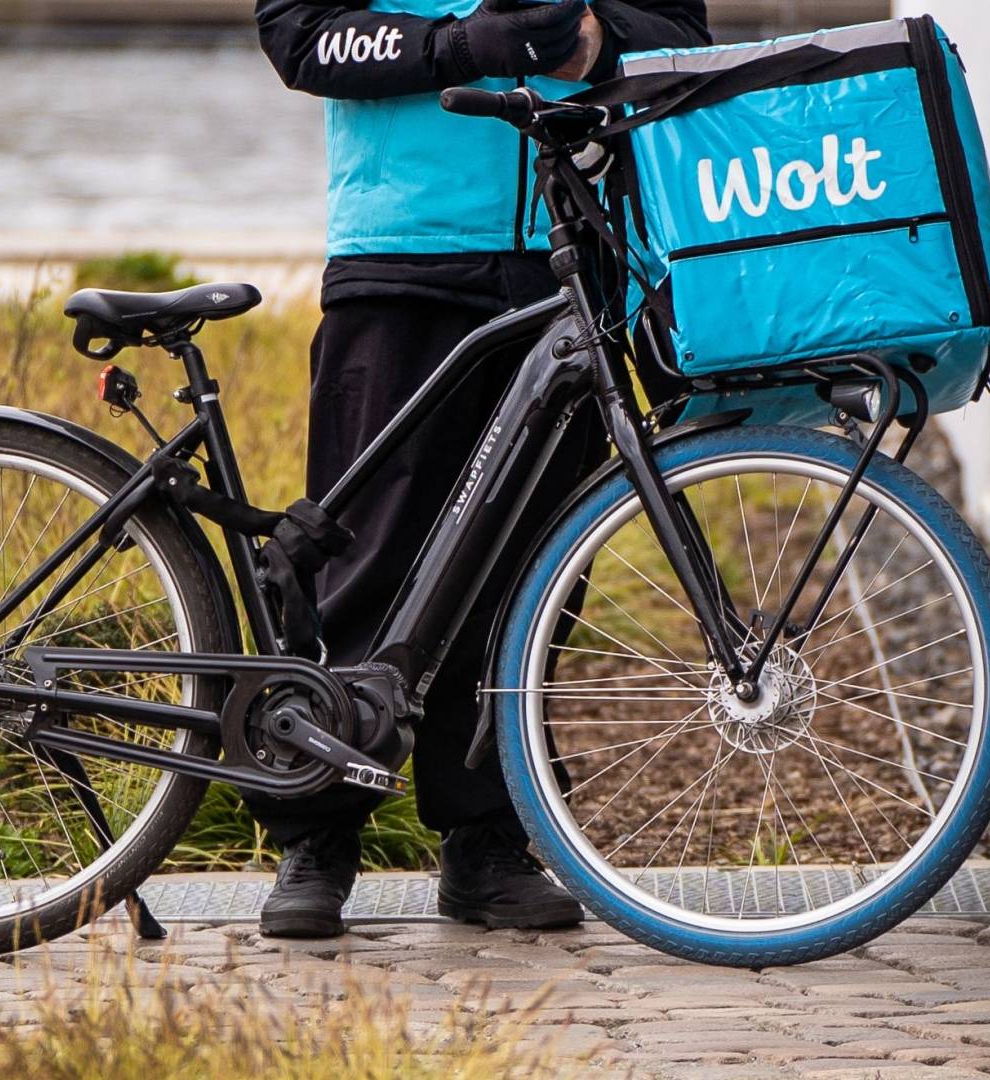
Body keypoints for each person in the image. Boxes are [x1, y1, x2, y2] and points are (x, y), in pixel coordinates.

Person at [249, 0, 710, 938]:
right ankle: (317, 828)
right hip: (399, 248)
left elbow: (685, 39)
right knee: (360, 556)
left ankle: (488, 839)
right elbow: (299, 35)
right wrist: (459, 46)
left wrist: (591, 40)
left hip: (570, 247)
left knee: (532, 573)